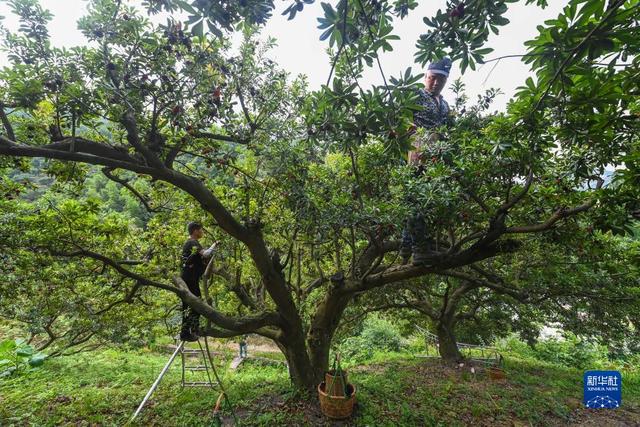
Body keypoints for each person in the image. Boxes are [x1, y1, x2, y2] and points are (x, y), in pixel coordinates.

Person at [400, 58, 453, 266]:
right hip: (419, 152)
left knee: (424, 200)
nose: (436, 83)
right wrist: (406, 125)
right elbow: (400, 116)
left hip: (436, 158)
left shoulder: (444, 103)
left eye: (441, 79)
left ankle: (406, 245)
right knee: (416, 200)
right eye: (432, 78)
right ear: (425, 77)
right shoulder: (416, 95)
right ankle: (420, 250)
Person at [180, 222, 217, 341]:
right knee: (196, 304)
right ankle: (191, 330)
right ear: (195, 231)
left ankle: (188, 331)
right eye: (201, 230)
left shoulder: (191, 243)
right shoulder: (192, 242)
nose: (202, 232)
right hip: (189, 279)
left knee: (190, 305)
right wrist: (215, 245)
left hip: (190, 278)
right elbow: (206, 254)